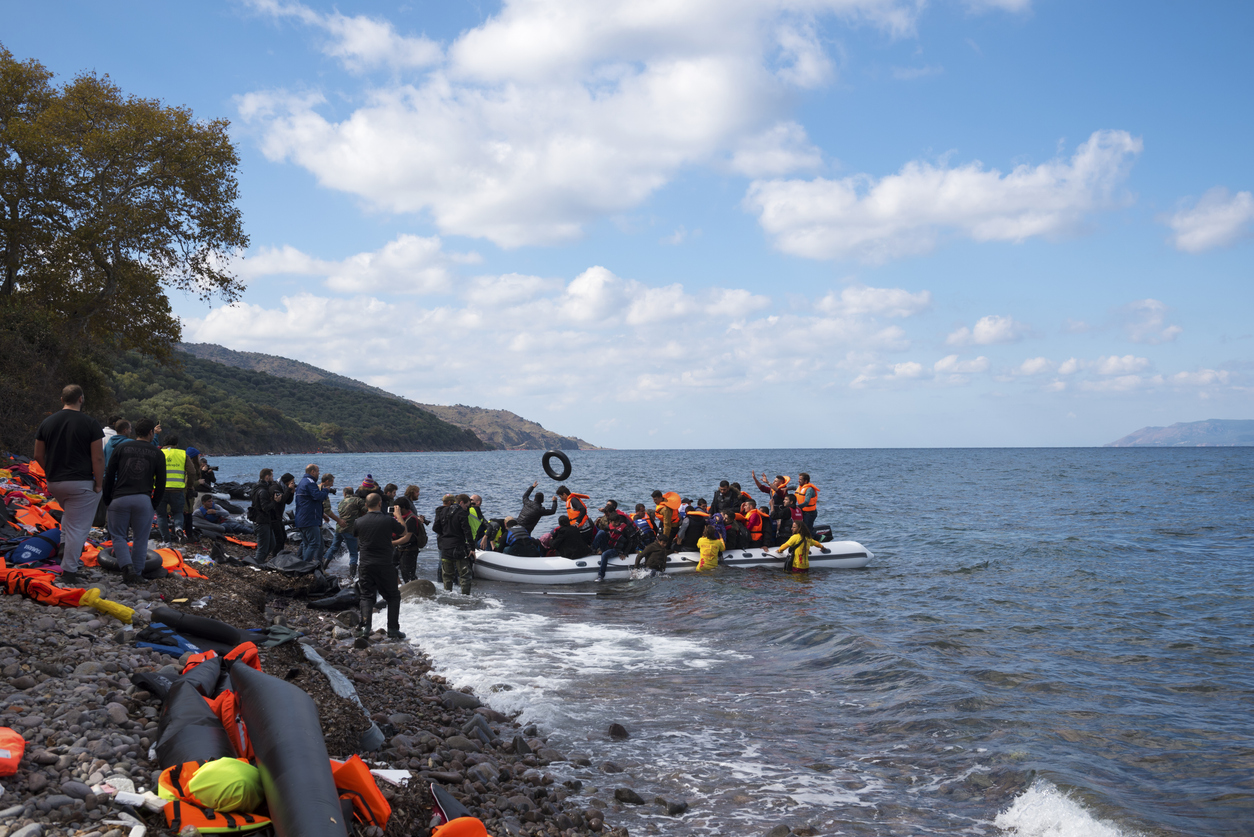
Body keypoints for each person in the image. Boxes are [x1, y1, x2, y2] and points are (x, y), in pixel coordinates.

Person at [33, 385, 104, 583]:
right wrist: (98, 484)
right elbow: (97, 458)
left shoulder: (47, 422)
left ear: (62, 399)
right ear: (81, 399)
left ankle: (64, 546)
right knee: (78, 527)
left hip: (55, 482)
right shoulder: (90, 423)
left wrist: (50, 471)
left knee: (70, 518)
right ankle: (69, 572)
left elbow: (38, 454)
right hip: (80, 483)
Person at [101, 417, 164, 585]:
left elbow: (109, 475)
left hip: (119, 498)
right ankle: (137, 573)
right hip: (143, 499)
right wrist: (154, 503)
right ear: (151, 432)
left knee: (119, 536)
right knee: (140, 538)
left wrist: (107, 498)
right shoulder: (157, 452)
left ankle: (127, 569)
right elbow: (161, 482)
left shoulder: (121, 447)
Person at [352, 493, 406, 640]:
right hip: (384, 564)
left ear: (366, 505)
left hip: (366, 564)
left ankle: (365, 628)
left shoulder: (359, 521)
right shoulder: (387, 520)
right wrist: (399, 515)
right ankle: (393, 629)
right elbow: (403, 530)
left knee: (366, 596)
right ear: (380, 503)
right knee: (393, 596)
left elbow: (356, 535)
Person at [435, 494, 477, 594]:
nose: (467, 508)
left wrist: (445, 534)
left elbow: (435, 528)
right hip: (458, 547)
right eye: (467, 506)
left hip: (445, 546)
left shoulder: (443, 511)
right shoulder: (461, 513)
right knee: (465, 574)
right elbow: (467, 531)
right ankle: (465, 597)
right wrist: (472, 548)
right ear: (461, 503)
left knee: (447, 575)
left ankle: (447, 595)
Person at [329, 486, 367, 577]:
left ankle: (323, 567)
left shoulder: (341, 502)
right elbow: (366, 511)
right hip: (350, 529)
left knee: (333, 548)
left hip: (339, 529)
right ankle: (353, 576)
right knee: (353, 553)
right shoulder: (358, 500)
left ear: (344, 494)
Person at [249, 469, 282, 564]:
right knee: (262, 548)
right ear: (267, 477)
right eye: (272, 476)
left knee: (272, 544)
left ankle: (260, 561)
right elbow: (265, 508)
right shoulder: (262, 490)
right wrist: (275, 501)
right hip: (261, 522)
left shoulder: (257, 487)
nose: (273, 478)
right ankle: (256, 564)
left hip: (263, 521)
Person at [392, 497, 426, 583]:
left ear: (403, 508)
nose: (395, 510)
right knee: (390, 566)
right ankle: (399, 585)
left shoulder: (411, 519)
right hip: (400, 548)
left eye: (397, 508)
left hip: (409, 549)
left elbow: (407, 538)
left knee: (408, 574)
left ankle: (415, 590)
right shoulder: (400, 518)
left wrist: (391, 543)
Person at [319, 473, 341, 564]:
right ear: (327, 481)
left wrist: (323, 515)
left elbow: (318, 506)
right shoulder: (323, 490)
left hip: (309, 519)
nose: (332, 485)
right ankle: (318, 565)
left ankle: (302, 561)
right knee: (319, 544)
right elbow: (327, 509)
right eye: (332, 482)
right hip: (314, 521)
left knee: (306, 543)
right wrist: (339, 520)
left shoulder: (316, 488)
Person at [272, 473, 296, 556]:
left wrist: (292, 492)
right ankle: (275, 556)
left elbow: (288, 501)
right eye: (292, 482)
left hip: (279, 516)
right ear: (287, 481)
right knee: (279, 538)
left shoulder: (284, 487)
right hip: (273, 516)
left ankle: (279, 555)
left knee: (283, 537)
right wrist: (289, 489)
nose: (293, 483)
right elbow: (282, 500)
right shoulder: (276, 487)